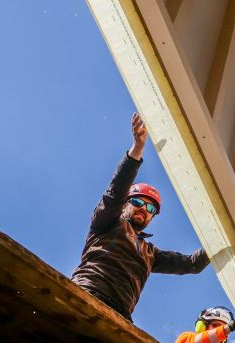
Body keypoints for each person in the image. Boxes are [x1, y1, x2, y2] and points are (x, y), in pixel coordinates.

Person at [71, 113, 209, 321]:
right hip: (88, 292)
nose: (143, 209)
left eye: (150, 208)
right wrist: (137, 149)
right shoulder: (108, 222)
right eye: (137, 202)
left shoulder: (150, 254)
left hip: (121, 314)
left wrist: (224, 235)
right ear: (126, 204)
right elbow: (115, 192)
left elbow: (192, 264)